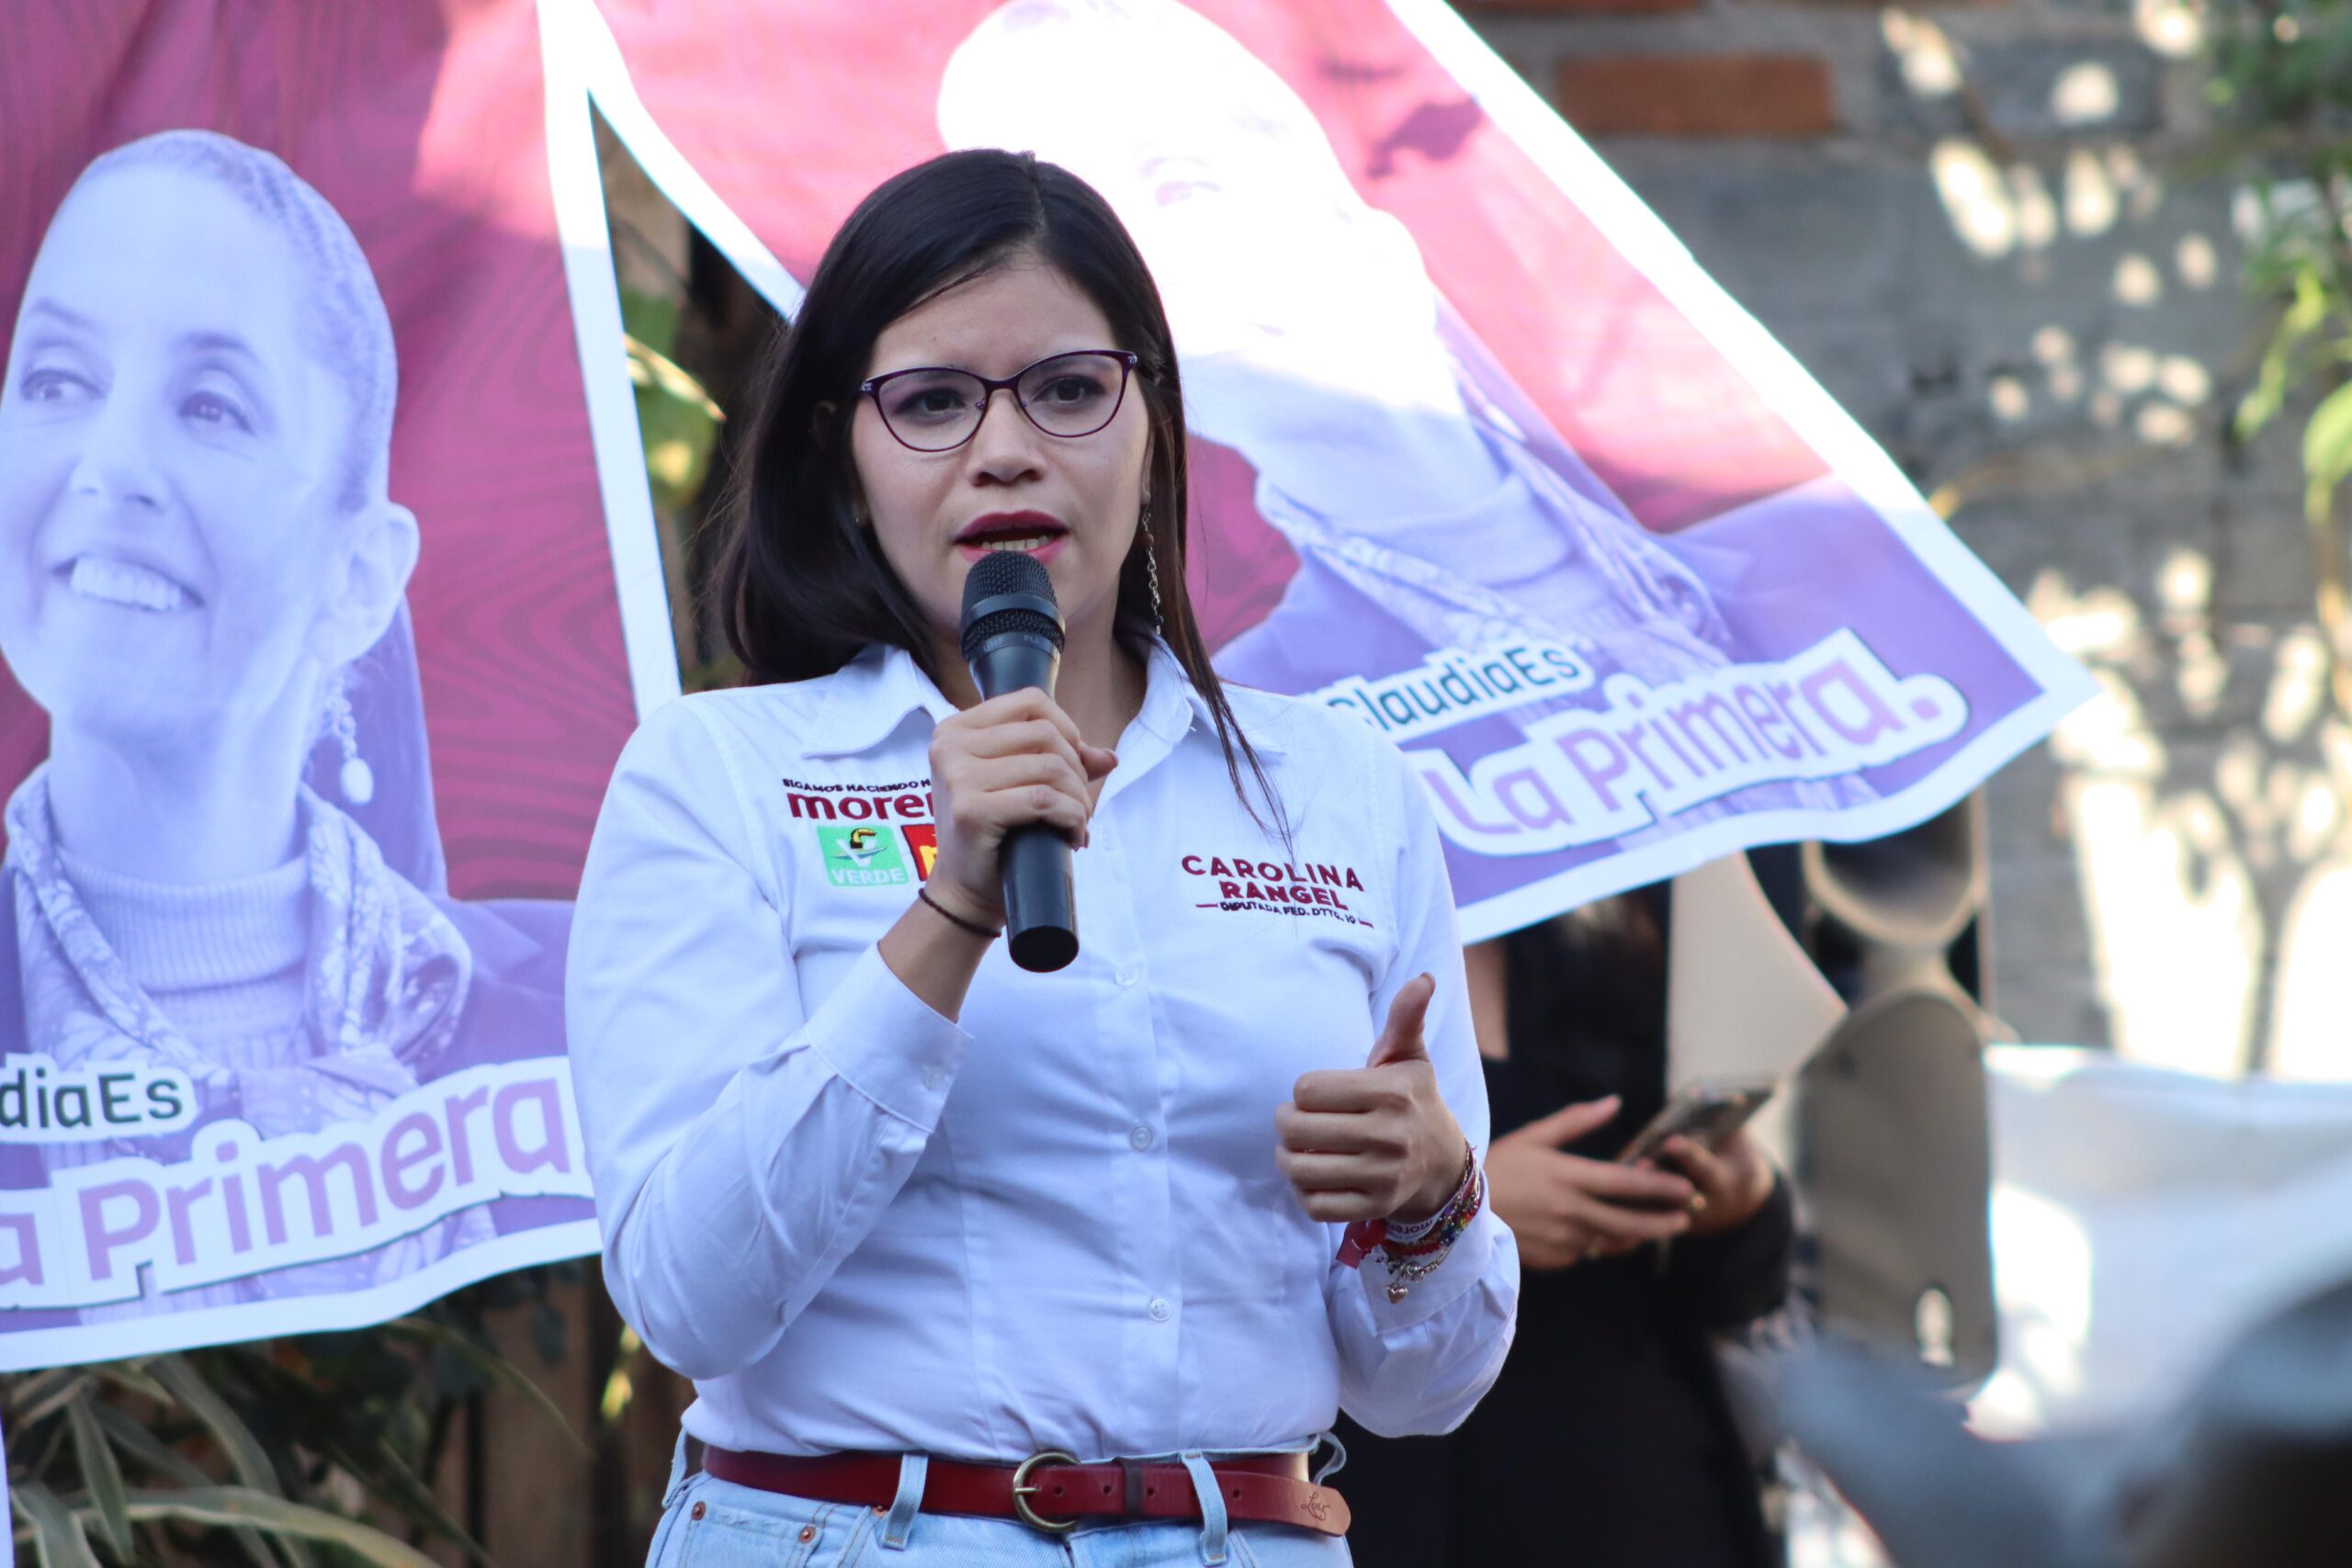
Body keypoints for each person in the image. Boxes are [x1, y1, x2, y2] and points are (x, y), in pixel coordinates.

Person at [567, 148, 1517, 1567]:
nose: (1006, 449)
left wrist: (1434, 1201)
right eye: (935, 400)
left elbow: (1424, 1390)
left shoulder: (1339, 787)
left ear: (1152, 426)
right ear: (845, 445)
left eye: (1070, 390)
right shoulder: (718, 777)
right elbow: (688, 1300)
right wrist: (950, 907)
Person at [938, 0, 1870, 829]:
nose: (1150, 264)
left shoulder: (1790, 528)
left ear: (1348, 210)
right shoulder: (1256, 721)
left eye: (1178, 185)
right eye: (1093, 239)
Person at [0, 130, 564, 1315]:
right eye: (55, 380)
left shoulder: (561, 1012)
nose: (110, 465)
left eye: (209, 404)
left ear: (361, 574)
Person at [1335, 886, 1795, 1567]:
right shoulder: (1307, 957)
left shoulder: (1605, 932)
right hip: (1404, 1489)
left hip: (1638, 1476)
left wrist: (1740, 1202)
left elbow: (1738, 1291)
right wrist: (1462, 1202)